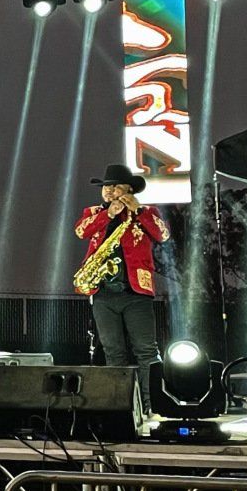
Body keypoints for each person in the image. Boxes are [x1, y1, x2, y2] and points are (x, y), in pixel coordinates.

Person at [74, 163, 169, 411]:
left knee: (146, 351)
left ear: (128, 189)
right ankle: (120, 405)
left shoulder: (146, 212)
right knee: (113, 352)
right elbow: (81, 231)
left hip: (136, 293)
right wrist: (109, 214)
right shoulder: (94, 212)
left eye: (114, 186)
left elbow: (163, 235)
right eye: (105, 186)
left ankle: (153, 404)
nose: (108, 191)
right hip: (103, 293)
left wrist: (136, 210)